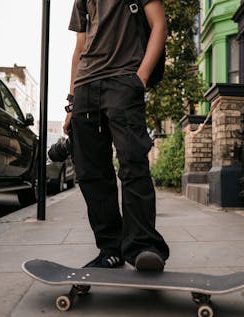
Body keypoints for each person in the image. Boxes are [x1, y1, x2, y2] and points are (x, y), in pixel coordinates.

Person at [63, 0, 170, 272]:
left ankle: (143, 245)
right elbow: (80, 46)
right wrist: (72, 101)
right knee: (91, 172)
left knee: (133, 163)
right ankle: (110, 248)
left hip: (124, 81)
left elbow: (159, 25)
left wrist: (141, 78)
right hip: (86, 86)